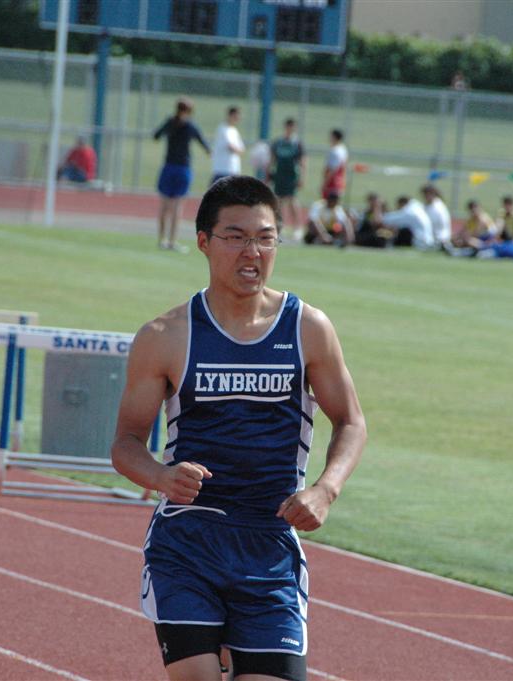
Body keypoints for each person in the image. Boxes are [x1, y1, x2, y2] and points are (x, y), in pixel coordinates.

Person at [110, 174, 366, 681]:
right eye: (236, 237)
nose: (253, 252)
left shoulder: (308, 328)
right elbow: (126, 443)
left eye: (265, 238)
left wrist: (326, 490)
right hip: (189, 542)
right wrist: (160, 477)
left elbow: (351, 422)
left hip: (270, 543)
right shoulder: (166, 336)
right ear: (203, 241)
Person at [154, 97, 211, 253]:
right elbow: (203, 142)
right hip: (182, 168)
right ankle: (172, 241)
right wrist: (209, 151)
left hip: (168, 167)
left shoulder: (170, 122)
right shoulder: (190, 126)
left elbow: (156, 135)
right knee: (177, 206)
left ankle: (162, 240)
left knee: (165, 205)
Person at [270, 118, 305, 241]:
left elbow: (302, 161)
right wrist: (269, 173)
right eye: (288, 126)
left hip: (291, 175)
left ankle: (298, 228)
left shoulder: (297, 143)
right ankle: (280, 227)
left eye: (292, 126)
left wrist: (302, 177)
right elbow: (272, 159)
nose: (290, 129)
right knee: (278, 202)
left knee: (292, 201)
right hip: (280, 175)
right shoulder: (278, 142)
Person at [211, 106, 245, 185]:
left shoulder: (234, 130)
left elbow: (242, 149)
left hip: (233, 169)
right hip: (222, 169)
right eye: (236, 116)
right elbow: (231, 147)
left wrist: (238, 150)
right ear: (230, 115)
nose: (238, 118)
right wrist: (237, 149)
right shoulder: (223, 128)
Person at [321, 129, 348, 200]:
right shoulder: (343, 149)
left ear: (335, 137)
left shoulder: (335, 151)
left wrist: (325, 183)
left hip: (333, 183)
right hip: (339, 181)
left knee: (328, 203)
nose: (329, 138)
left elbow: (332, 169)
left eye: (331, 136)